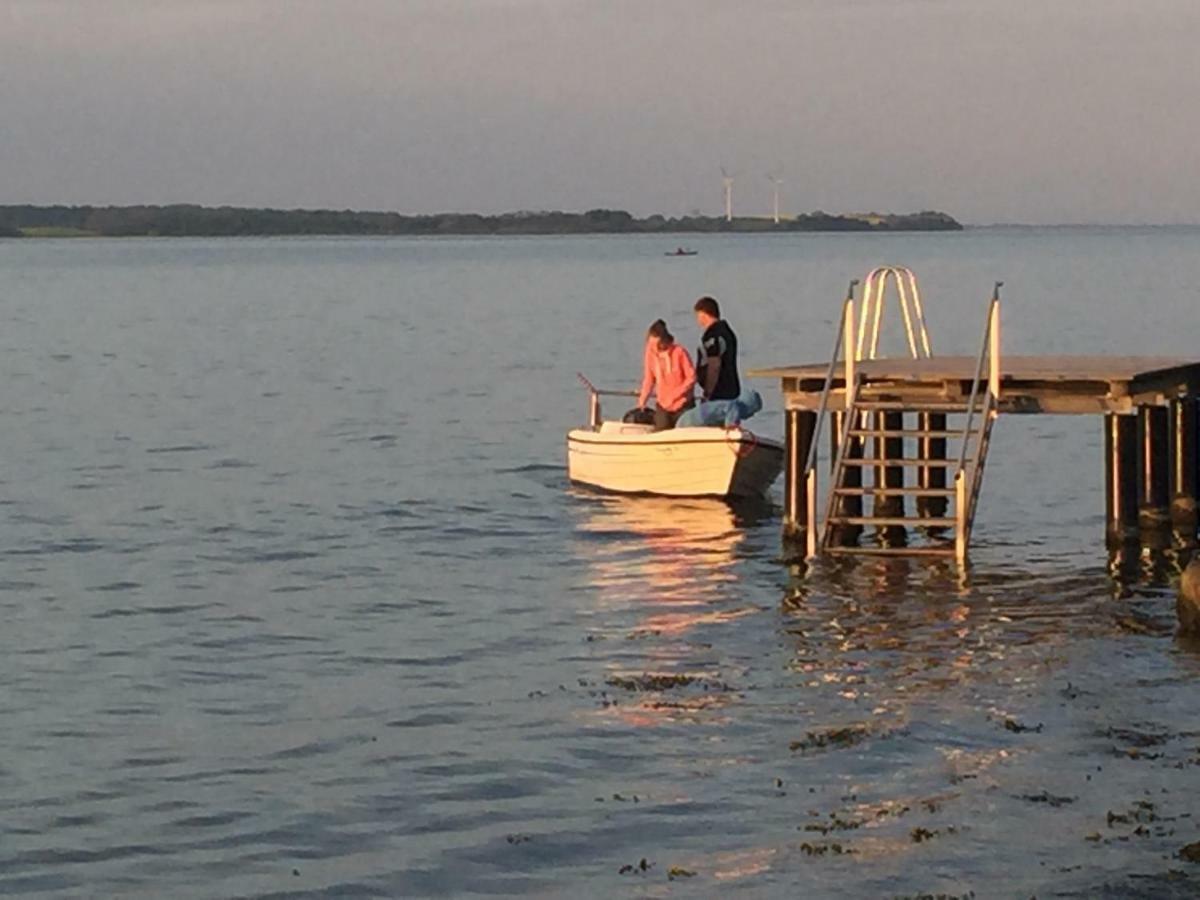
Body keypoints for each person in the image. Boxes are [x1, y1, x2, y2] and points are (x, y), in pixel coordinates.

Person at [637, 319, 696, 431]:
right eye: (651, 345)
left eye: (657, 345)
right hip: (663, 405)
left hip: (682, 404)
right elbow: (649, 378)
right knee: (661, 427)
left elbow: (691, 377)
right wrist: (643, 399)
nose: (654, 349)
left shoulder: (679, 352)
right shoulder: (650, 354)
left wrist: (676, 395)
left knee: (683, 428)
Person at [693, 296, 740, 401]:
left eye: (698, 316)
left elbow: (714, 365)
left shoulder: (712, 336)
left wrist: (708, 392)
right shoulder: (728, 332)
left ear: (704, 314)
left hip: (719, 392)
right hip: (732, 389)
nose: (698, 320)